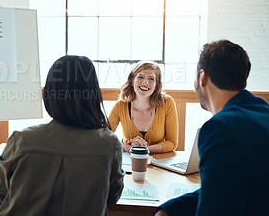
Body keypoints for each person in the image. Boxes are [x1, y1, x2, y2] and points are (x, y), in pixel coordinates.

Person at [0, 55, 124, 216]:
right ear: (93, 94)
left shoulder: (22, 139)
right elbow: (112, 197)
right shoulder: (109, 144)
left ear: (50, 92)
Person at [155, 40, 269, 216]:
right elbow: (225, 187)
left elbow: (215, 209)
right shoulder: (262, 110)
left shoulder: (222, 129)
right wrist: (170, 209)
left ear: (203, 77)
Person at [108, 61, 178, 153]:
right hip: (129, 162)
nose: (145, 82)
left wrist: (144, 150)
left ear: (156, 85)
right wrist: (123, 146)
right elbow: (105, 138)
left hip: (158, 163)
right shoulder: (120, 105)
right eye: (140, 77)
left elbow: (172, 143)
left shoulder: (167, 103)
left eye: (151, 79)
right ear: (132, 81)